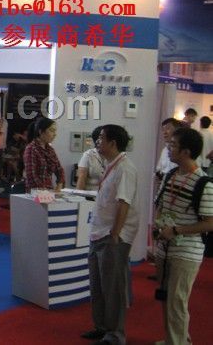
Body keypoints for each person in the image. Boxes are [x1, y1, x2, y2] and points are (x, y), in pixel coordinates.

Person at [154, 127, 213, 345]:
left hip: (187, 250)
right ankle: (176, 339)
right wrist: (159, 224)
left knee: (176, 301)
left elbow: (210, 222)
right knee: (166, 296)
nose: (168, 148)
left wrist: (176, 230)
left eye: (173, 145)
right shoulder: (171, 175)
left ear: (186, 152)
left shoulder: (204, 184)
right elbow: (160, 204)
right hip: (165, 246)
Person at [81, 125, 139, 345]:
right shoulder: (111, 165)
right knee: (97, 285)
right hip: (99, 233)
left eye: (101, 139)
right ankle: (102, 327)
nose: (97, 142)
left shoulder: (125, 168)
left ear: (113, 143)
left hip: (112, 236)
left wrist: (115, 233)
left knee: (112, 287)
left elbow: (124, 203)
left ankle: (115, 334)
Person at [23, 117, 65, 192]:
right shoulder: (31, 149)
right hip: (34, 192)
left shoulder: (50, 150)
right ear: (41, 131)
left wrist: (59, 186)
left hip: (48, 191)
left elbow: (59, 169)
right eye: (51, 130)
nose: (55, 134)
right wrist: (45, 191)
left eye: (55, 131)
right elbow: (31, 176)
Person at [77, 126, 106, 191]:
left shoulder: (113, 156)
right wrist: (79, 195)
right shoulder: (88, 155)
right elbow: (81, 180)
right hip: (90, 193)